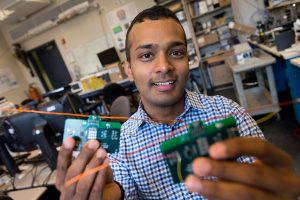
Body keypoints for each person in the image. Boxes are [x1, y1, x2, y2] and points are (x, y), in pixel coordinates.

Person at [56, 5, 300, 199]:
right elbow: (118, 187)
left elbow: (264, 180)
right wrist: (100, 193)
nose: (164, 66)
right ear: (128, 69)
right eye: (147, 55)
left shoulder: (228, 112)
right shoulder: (122, 142)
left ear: (187, 59)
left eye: (176, 52)